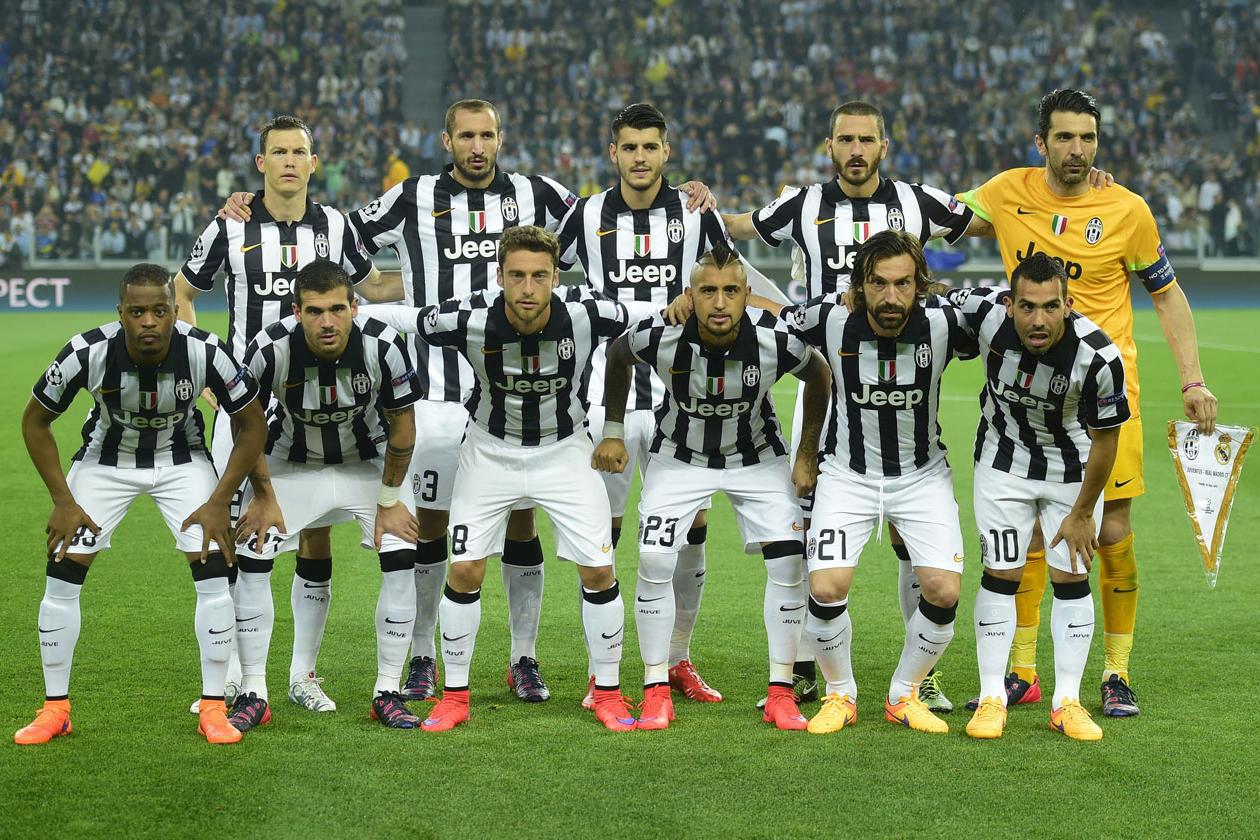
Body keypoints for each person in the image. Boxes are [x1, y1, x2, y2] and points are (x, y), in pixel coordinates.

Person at [225, 99, 710, 704]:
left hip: (518, 396)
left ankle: (523, 658)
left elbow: (605, 210)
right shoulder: (413, 195)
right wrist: (257, 204)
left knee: (522, 519)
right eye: (466, 137)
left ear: (500, 139)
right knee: (430, 529)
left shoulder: (539, 195)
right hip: (435, 398)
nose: (477, 147)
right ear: (447, 139)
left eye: (487, 136)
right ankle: (425, 657)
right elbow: (336, 234)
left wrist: (685, 195)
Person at [957, 89, 1218, 716]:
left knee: (1110, 532)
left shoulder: (1127, 210)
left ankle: (1116, 672)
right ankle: (1022, 671)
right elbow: (937, 217)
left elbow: (1167, 295)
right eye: (1065, 138)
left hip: (1106, 399)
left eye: (1088, 139)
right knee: (1029, 538)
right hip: (1028, 400)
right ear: (1041, 142)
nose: (1078, 151)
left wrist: (1192, 380)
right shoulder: (1006, 192)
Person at [361, 225, 637, 732]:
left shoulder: (587, 313)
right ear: (500, 276)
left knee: (599, 571)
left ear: (556, 276)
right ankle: (456, 697)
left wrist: (683, 306)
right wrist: (353, 309)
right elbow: (405, 316)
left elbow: (646, 317)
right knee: (464, 571)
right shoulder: (468, 319)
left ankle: (608, 693)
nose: (527, 288)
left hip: (566, 452)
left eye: (538, 277)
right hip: (489, 454)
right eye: (516, 276)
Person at [175, 114, 398, 714]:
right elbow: (182, 293)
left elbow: (374, 289)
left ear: (313, 162)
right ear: (261, 163)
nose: (290, 161)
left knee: (313, 534)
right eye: (279, 152)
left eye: (300, 151)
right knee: (230, 536)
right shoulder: (229, 226)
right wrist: (204, 377)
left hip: (318, 406)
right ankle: (230, 678)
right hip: (245, 402)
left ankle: (302, 674)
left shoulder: (335, 226)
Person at [16, 264, 268, 746]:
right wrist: (62, 501)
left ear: (176, 312)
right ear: (121, 314)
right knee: (62, 573)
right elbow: (35, 422)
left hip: (184, 461)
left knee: (214, 572)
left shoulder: (205, 351)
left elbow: (252, 425)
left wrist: (219, 501)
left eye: (159, 310)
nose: (149, 321)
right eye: (137, 312)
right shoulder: (86, 351)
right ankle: (55, 708)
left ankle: (215, 709)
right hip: (104, 463)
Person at [592, 246, 831, 730]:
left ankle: (781, 691)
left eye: (730, 291)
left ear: (747, 296)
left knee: (789, 560)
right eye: (707, 291)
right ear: (689, 296)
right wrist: (613, 429)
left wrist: (806, 453)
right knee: (656, 558)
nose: (719, 303)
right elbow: (618, 354)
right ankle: (657, 687)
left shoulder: (774, 339)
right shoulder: (662, 334)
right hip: (679, 458)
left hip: (757, 459)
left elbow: (820, 375)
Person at [557, 103, 732, 707]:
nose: (639, 157)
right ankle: (600, 668)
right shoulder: (585, 215)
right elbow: (542, 278)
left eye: (649, 147)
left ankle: (679, 658)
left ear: (665, 151)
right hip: (601, 397)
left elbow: (728, 281)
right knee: (597, 536)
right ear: (614, 154)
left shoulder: (693, 212)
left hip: (677, 395)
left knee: (691, 528)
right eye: (628, 147)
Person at [770, 230, 977, 735]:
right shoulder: (829, 318)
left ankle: (904, 693)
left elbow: (1007, 310)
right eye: (879, 284)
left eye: (904, 284)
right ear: (860, 285)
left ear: (919, 284)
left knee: (944, 590)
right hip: (847, 474)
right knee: (826, 585)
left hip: (922, 476)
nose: (891, 297)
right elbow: (770, 315)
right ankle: (841, 694)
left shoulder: (945, 322)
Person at [230, 260, 423, 731]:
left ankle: (388, 691)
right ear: (297, 311)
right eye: (315, 311)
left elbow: (403, 427)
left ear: (354, 306)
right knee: (251, 552)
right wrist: (262, 494)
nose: (328, 321)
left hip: (366, 463)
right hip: (289, 463)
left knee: (402, 553)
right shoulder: (269, 348)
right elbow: (246, 424)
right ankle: (254, 689)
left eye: (338, 308)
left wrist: (390, 499)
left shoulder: (384, 344)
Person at [947, 255, 1126, 741]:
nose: (1039, 319)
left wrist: (1083, 512)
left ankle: (1066, 701)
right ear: (1009, 304)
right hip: (1002, 464)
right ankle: (991, 697)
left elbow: (1107, 439)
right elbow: (933, 296)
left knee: (1071, 574)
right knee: (1001, 573)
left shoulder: (1098, 357)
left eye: (1051, 307)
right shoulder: (984, 314)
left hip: (1072, 470)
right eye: (1027, 306)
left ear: (1067, 305)